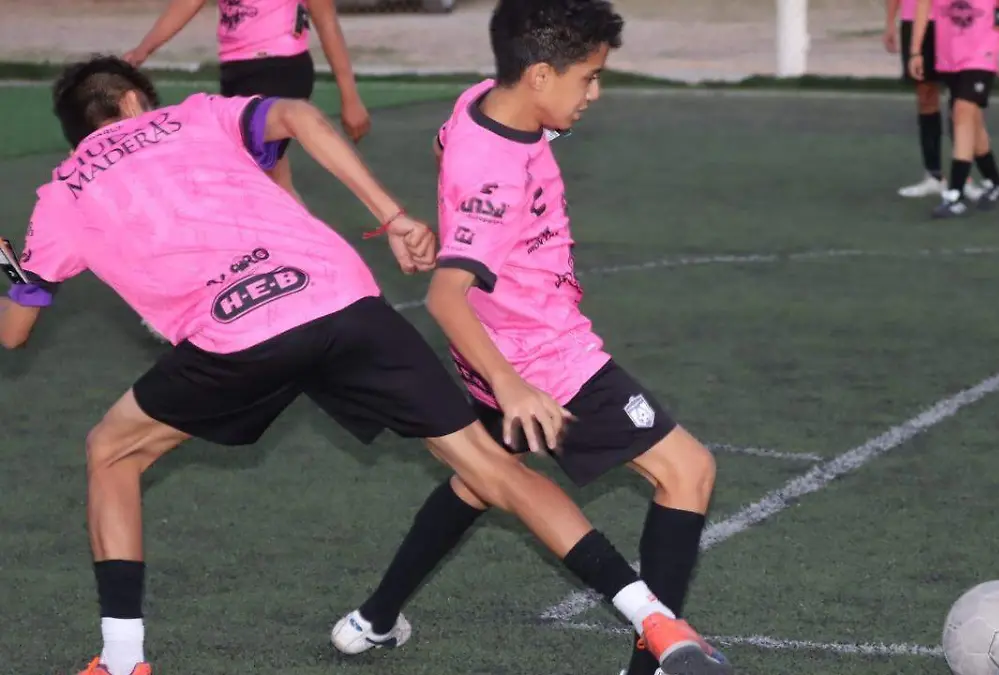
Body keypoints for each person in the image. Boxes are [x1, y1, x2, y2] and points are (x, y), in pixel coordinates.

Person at [0, 55, 731, 675]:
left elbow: (14, 332)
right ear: (135, 102)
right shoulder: (193, 115)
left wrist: (8, 269)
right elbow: (299, 117)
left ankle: (122, 659)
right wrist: (392, 213)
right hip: (343, 297)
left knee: (111, 451)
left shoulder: (61, 193)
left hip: (237, 332)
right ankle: (655, 619)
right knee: (493, 468)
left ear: (81, 128)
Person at [329, 3, 723, 675]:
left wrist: (459, 235)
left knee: (480, 479)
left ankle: (375, 618)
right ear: (540, 75)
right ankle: (652, 665)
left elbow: (446, 149)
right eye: (588, 77)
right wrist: (512, 385)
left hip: (494, 348)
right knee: (688, 470)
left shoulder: (482, 99)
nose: (594, 93)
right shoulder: (497, 174)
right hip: (542, 361)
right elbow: (444, 296)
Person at [123, 0, 370, 203]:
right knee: (273, 176)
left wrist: (350, 97)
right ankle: (301, 239)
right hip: (235, 72)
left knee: (259, 172)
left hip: (279, 68)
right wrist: (143, 50)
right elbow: (189, 3)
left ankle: (301, 243)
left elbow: (326, 21)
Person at [911, 0, 999, 218]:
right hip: (949, 55)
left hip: (982, 53)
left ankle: (955, 194)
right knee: (971, 120)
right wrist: (915, 50)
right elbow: (923, 5)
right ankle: (994, 182)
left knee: (962, 111)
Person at [886, 0, 985, 201]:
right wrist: (889, 22)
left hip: (953, 18)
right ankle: (933, 174)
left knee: (960, 99)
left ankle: (962, 178)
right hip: (913, 19)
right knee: (925, 95)